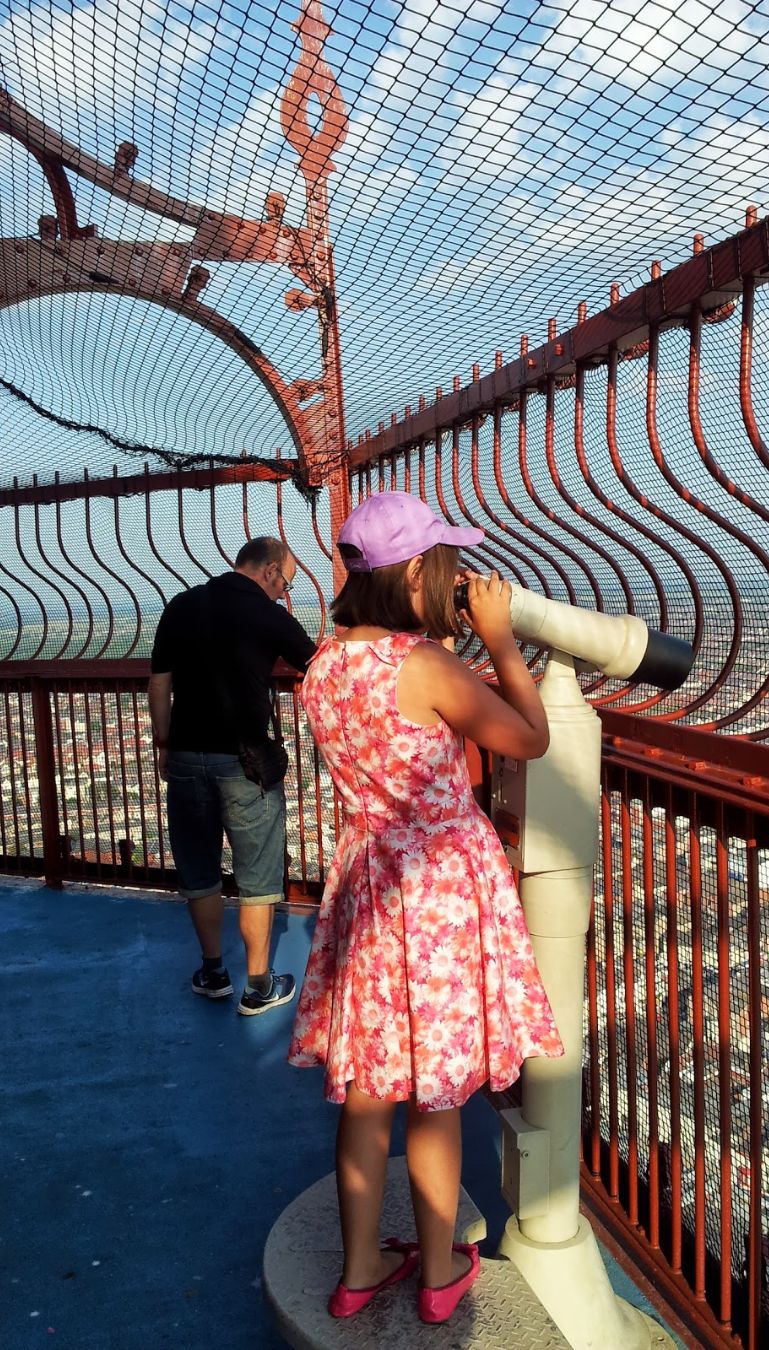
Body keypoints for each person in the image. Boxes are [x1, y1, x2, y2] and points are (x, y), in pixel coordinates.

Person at [287, 492, 563, 1324]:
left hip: (370, 882)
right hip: (438, 889)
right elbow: (528, 738)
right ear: (415, 571)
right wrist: (503, 641)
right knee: (434, 1095)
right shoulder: (428, 666)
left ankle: (361, 1266)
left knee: (370, 1088)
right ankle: (442, 1272)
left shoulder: (325, 666)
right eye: (441, 562)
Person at [148, 536, 316, 1016]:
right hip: (244, 761)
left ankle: (214, 970)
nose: (284, 593)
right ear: (267, 571)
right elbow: (318, 666)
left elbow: (159, 682)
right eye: (285, 584)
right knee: (258, 873)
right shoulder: (268, 615)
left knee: (199, 868)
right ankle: (259, 985)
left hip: (184, 755)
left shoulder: (182, 605)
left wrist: (165, 745)